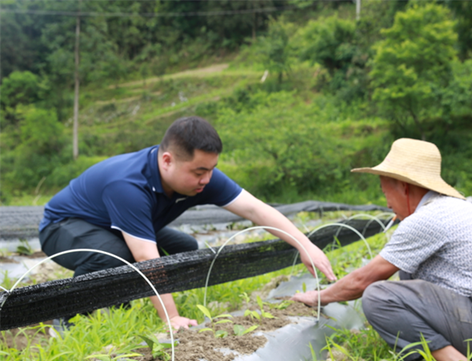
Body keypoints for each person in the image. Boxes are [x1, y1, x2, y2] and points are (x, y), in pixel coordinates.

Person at [39, 116, 335, 333]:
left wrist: (305, 244)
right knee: (119, 255)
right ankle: (68, 318)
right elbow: (145, 257)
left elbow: (255, 209)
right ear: (167, 161)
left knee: (185, 247)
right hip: (63, 227)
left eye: (211, 170)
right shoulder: (127, 185)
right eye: (198, 172)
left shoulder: (201, 178)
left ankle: (120, 304)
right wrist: (171, 317)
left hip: (110, 227)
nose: (206, 180)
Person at [292, 138, 472, 361]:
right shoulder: (456, 209)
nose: (388, 204)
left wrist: (318, 296)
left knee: (379, 296)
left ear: (404, 187)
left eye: (385, 192)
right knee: (408, 276)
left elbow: (362, 282)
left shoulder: (429, 218)